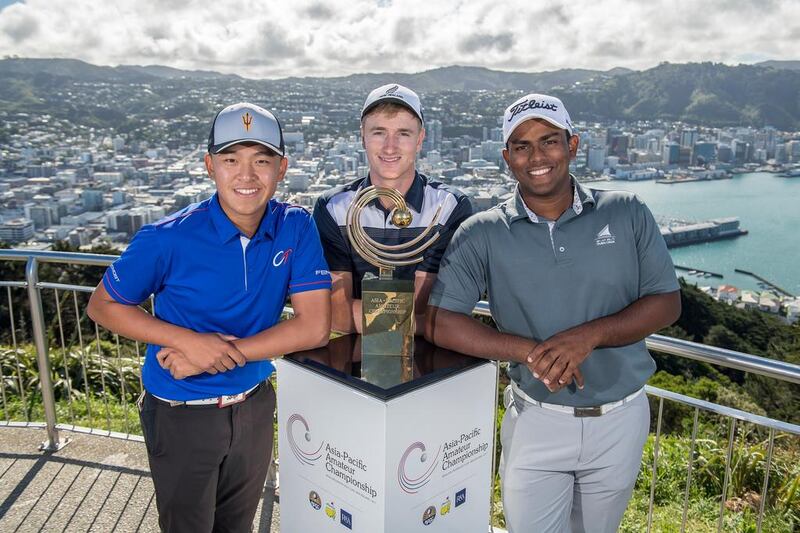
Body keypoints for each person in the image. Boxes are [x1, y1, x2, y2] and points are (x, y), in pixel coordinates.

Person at [425, 93, 681, 532]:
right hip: (536, 419)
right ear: (507, 157)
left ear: (573, 145)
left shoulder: (627, 212)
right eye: (522, 146)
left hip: (621, 419)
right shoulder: (482, 233)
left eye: (549, 141)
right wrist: (529, 351)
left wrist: (588, 336)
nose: (537, 156)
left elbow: (666, 302)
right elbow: (439, 321)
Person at [87, 102, 332, 533]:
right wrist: (189, 342)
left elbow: (314, 326)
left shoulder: (295, 226)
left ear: (282, 167)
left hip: (254, 404)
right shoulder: (168, 237)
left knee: (237, 526)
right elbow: (103, 305)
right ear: (209, 166)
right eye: (230, 159)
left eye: (262, 160)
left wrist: (214, 352)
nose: (246, 175)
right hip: (181, 411)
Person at [313, 83, 472, 334]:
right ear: (362, 136)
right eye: (379, 132)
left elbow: (428, 310)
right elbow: (339, 316)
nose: (390, 146)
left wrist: (363, 311)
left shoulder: (449, 207)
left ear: (420, 139)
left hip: (430, 360)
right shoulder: (333, 208)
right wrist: (422, 322)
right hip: (352, 361)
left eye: (403, 133)